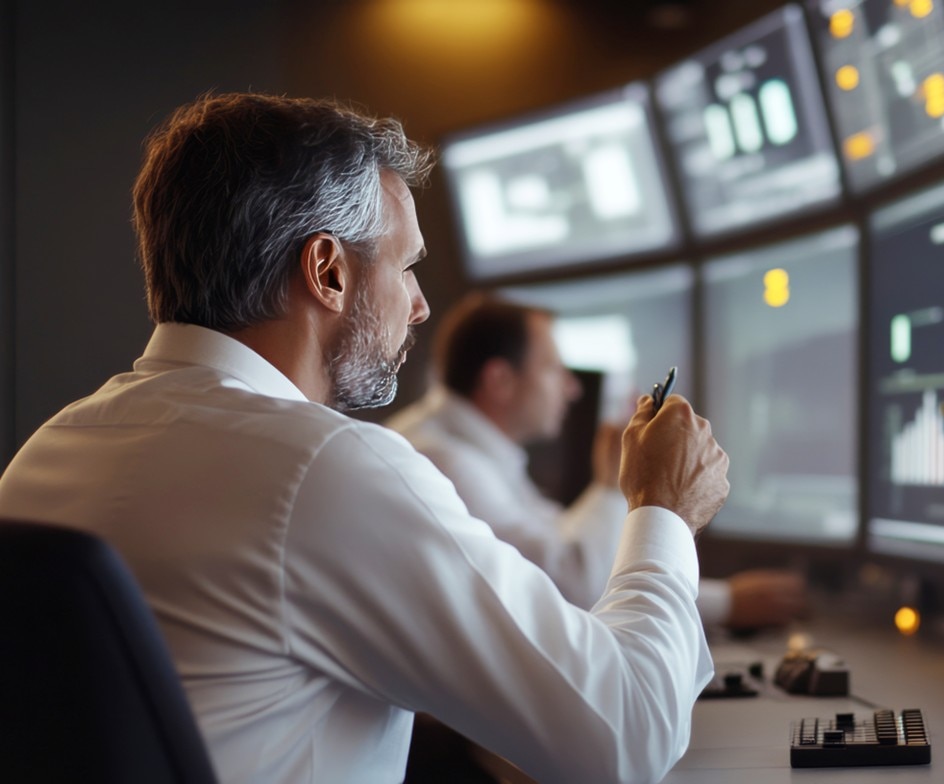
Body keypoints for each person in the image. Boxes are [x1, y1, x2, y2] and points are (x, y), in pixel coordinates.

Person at [0, 93, 730, 784]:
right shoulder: (324, 469)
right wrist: (662, 507)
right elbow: (625, 731)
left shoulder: (45, 455)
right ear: (328, 271)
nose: (419, 306)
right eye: (406, 267)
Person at [384, 293, 809, 630]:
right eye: (554, 369)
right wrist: (610, 484)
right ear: (500, 381)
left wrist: (715, 597)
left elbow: (553, 538)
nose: (571, 389)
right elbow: (570, 588)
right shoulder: (444, 460)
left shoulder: (463, 446)